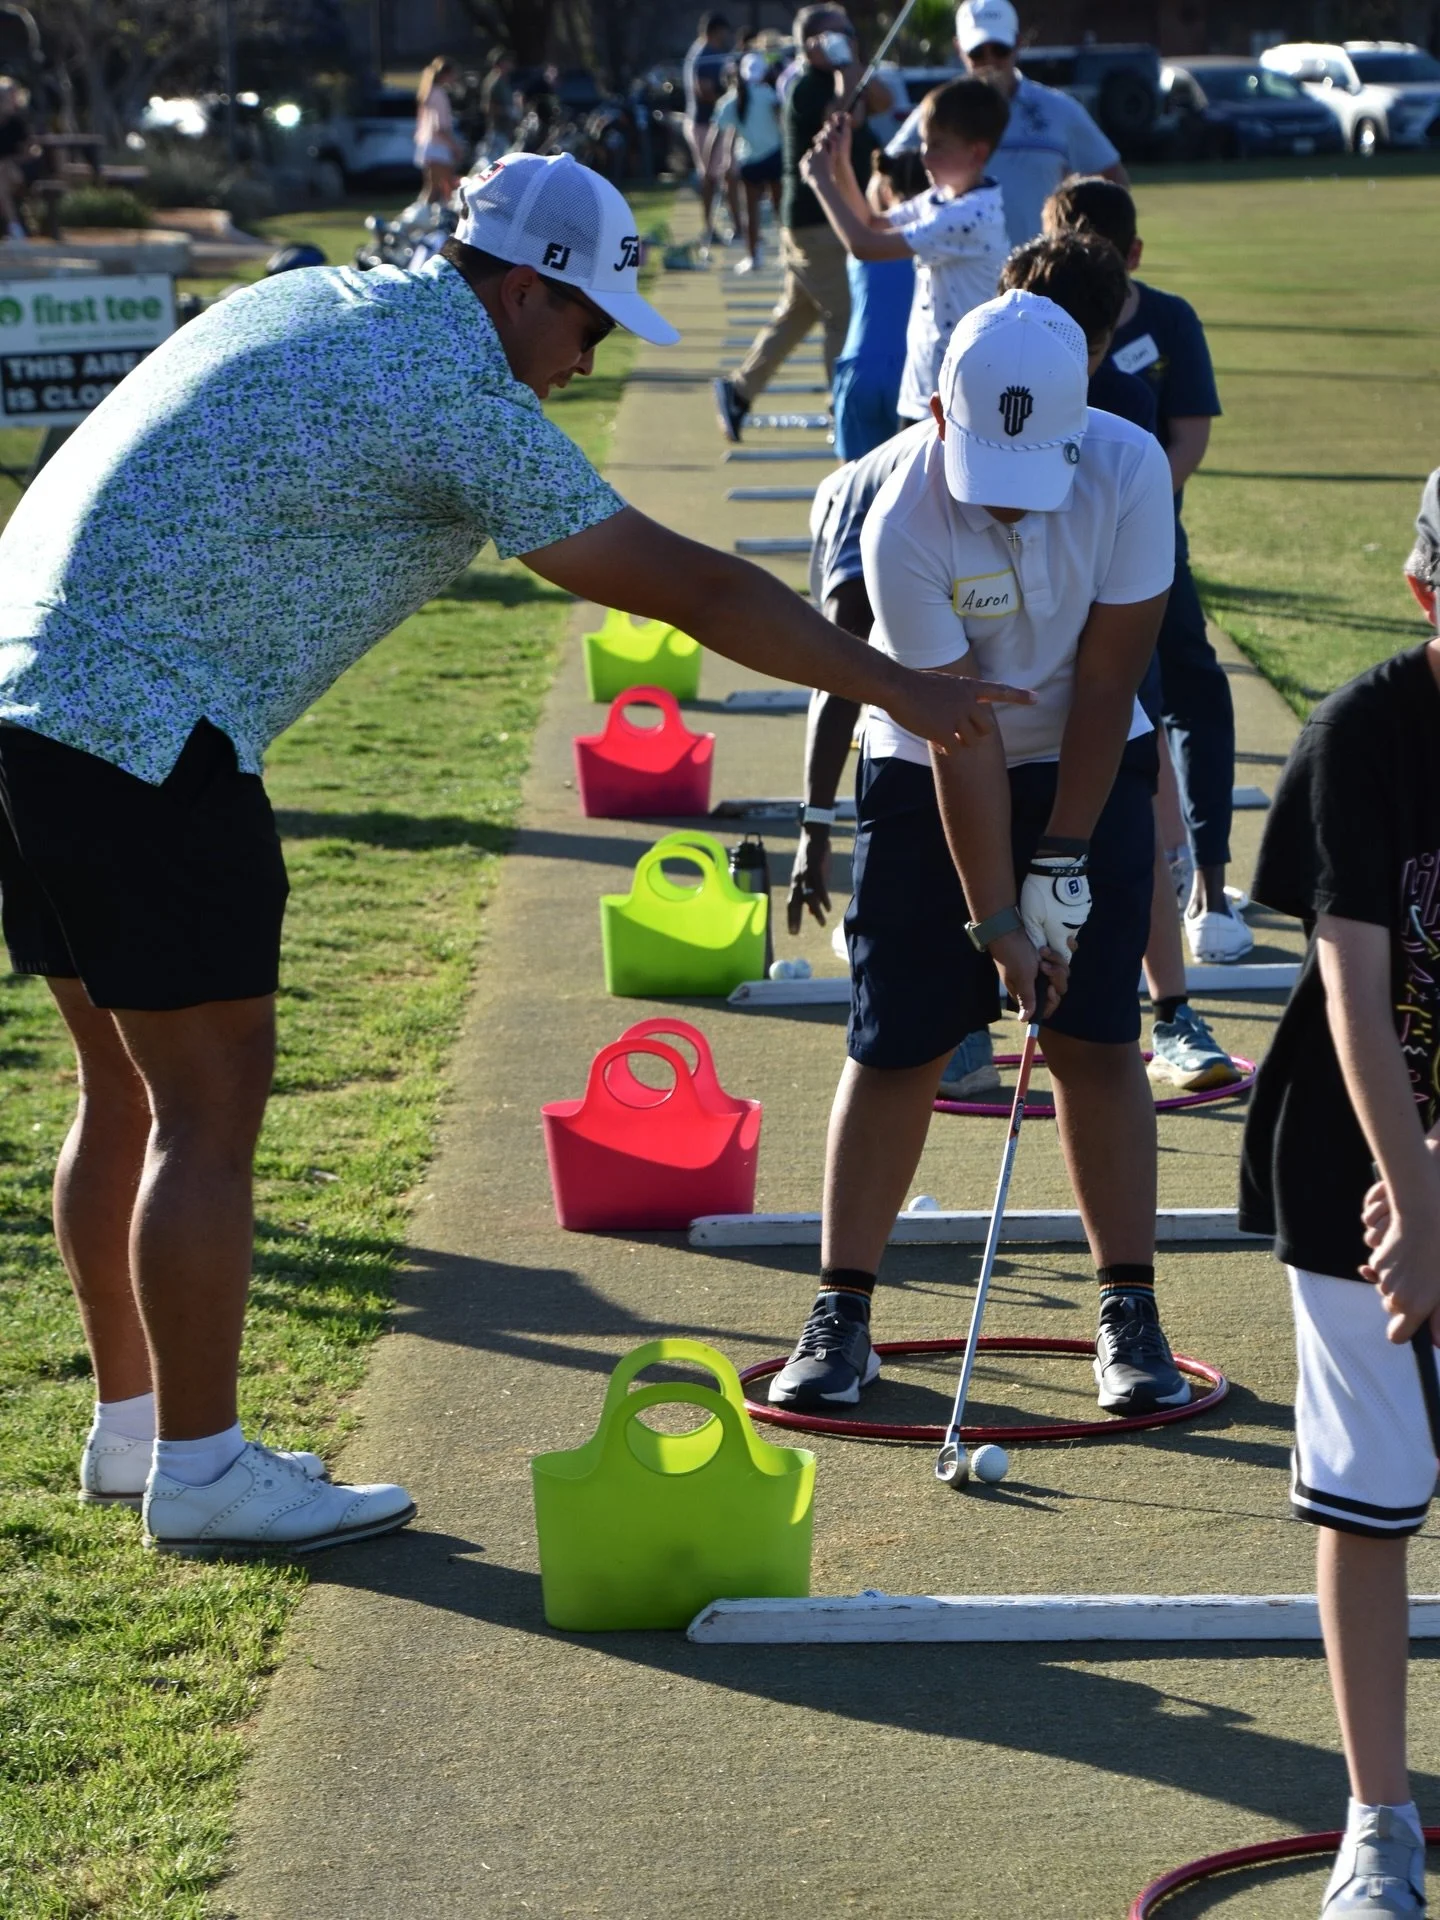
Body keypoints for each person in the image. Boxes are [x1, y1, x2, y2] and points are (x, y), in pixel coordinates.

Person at [0, 152, 1030, 1557]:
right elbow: (696, 585)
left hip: (28, 696)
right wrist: (898, 688)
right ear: (528, 287)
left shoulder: (327, 298)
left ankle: (139, 1426)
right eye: (588, 327)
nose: (582, 362)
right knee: (203, 1101)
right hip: (141, 726)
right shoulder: (455, 392)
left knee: (120, 1089)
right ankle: (201, 1465)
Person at [770, 288, 1190, 1421]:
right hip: (924, 760)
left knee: (1097, 1038)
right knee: (899, 1037)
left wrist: (1062, 860)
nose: (1006, 508)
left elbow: (1108, 685)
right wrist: (999, 924)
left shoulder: (1131, 468)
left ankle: (1128, 1308)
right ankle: (843, 1309)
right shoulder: (902, 512)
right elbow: (960, 732)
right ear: (944, 419)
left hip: (1092, 759)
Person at [1237, 469, 1440, 1919]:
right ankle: (1381, 1818)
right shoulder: (1364, 735)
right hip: (1353, 1166)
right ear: (1428, 591)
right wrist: (1416, 1193)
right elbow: (1356, 995)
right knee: (1371, 1498)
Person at [1044, 176, 1246, 964]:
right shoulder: (1029, 323)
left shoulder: (1169, 322)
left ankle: (1211, 885)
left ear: (1132, 255)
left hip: (1152, 552)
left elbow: (1187, 439)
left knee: (1188, 692)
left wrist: (1123, 511)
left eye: (1103, 255)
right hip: (1050, 563)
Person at [712, 5, 891, 443]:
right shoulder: (807, 86)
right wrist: (843, 69)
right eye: (832, 35)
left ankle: (738, 391)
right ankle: (843, 409)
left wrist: (854, 65)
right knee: (845, 316)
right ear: (808, 44)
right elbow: (842, 118)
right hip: (817, 222)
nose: (842, 41)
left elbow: (883, 102)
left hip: (831, 220)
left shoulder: (846, 77)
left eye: (847, 33)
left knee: (795, 314)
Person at [801, 76, 1009, 431]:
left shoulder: (972, 216)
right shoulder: (942, 197)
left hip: (957, 403)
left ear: (977, 152)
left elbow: (863, 245)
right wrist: (841, 164)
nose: (925, 155)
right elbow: (872, 220)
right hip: (920, 393)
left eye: (939, 146)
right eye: (926, 142)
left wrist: (820, 181)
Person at [887, 0, 1127, 249]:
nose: (989, 61)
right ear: (959, 48)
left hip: (1038, 275)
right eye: (977, 52)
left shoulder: (1060, 110)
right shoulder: (937, 112)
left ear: (1017, 44)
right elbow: (885, 177)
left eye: (1000, 49)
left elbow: (1113, 177)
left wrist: (1087, 246)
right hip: (959, 276)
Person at [827, 148, 924, 462]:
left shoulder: (866, 240)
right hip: (911, 373)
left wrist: (831, 167)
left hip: (860, 367)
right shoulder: (937, 243)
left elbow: (851, 203)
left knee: (854, 490)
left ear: (885, 192)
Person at [710, 50, 782, 273]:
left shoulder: (729, 101)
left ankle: (754, 258)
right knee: (781, 211)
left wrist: (709, 164)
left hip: (749, 162)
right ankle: (787, 254)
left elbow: (718, 134)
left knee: (750, 213)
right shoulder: (770, 94)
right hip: (775, 158)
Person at [683, 12, 734, 246]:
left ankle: (720, 225)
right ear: (714, 31)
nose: (726, 36)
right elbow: (703, 91)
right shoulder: (704, 54)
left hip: (710, 123)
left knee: (719, 175)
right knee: (710, 177)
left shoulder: (712, 53)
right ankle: (709, 228)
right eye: (724, 31)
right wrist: (729, 103)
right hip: (703, 124)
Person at [414, 57, 467, 204]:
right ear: (445, 75)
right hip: (438, 147)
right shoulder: (439, 95)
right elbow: (440, 127)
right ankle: (422, 217)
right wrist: (455, 147)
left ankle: (421, 217)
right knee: (444, 189)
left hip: (429, 146)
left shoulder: (429, 93)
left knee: (433, 188)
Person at [0, 77, 39, 242]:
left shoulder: (19, 122)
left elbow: (31, 150)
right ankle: (15, 226)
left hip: (20, 170)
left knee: (3, 172)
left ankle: (14, 227)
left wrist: (11, 162)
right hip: (3, 174)